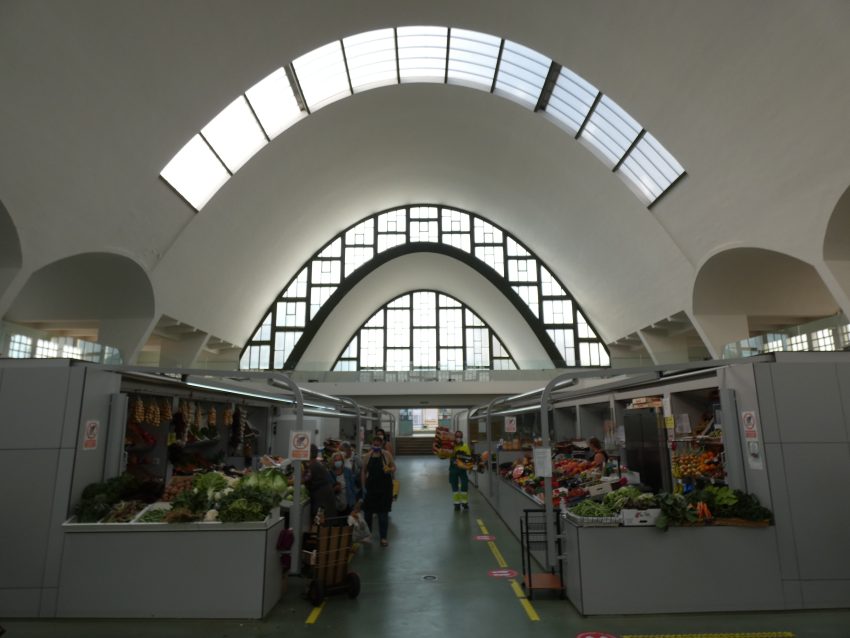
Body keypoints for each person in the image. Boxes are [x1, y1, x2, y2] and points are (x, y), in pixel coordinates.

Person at [361, 435, 395, 546]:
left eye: (378, 444)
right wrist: (363, 486)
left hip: (385, 489)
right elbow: (363, 472)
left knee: (383, 515)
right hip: (371, 488)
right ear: (372, 444)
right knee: (368, 514)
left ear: (381, 444)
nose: (376, 445)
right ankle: (368, 536)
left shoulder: (386, 455)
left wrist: (390, 469)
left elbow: (394, 467)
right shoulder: (367, 456)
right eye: (374, 443)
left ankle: (383, 538)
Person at [305, 444, 337, 522]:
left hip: (322, 500)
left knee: (320, 522)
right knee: (324, 522)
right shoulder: (317, 464)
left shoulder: (313, 466)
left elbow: (305, 479)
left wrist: (290, 482)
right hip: (325, 498)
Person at [449, 430, 472, 511]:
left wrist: (469, 467)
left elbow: (469, 457)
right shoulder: (451, 446)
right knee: (454, 485)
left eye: (460, 437)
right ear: (454, 437)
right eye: (457, 436)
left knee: (464, 484)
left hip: (462, 469)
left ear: (462, 437)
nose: (458, 438)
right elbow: (445, 454)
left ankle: (464, 503)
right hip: (453, 468)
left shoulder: (465, 446)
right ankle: (456, 504)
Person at [331, 451, 357, 515]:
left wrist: (355, 503)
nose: (337, 462)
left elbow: (353, 487)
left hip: (348, 502)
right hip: (335, 503)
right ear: (333, 462)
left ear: (342, 461)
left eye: (339, 460)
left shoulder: (348, 471)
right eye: (336, 460)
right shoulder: (330, 473)